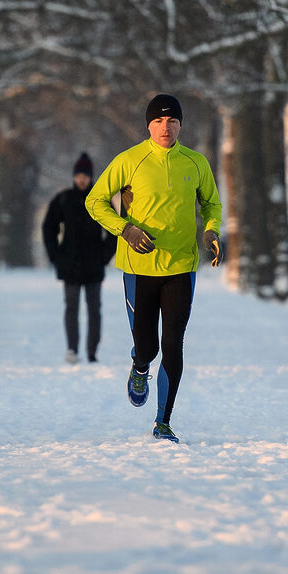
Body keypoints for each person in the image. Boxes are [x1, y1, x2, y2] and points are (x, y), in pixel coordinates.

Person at [86, 94, 222, 444]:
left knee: (173, 344)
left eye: (173, 121)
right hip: (139, 267)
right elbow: (94, 200)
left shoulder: (195, 162)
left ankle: (163, 422)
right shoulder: (130, 160)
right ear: (148, 125)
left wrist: (211, 230)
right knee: (147, 347)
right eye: (159, 122)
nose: (166, 128)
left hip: (181, 266)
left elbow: (211, 203)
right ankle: (140, 365)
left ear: (180, 125)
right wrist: (125, 229)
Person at [42, 152, 118, 364]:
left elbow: (114, 229)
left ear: (91, 176)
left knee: (95, 311)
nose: (82, 179)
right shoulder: (63, 199)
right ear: (74, 176)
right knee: (71, 309)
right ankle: (72, 350)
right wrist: (55, 255)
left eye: (85, 175)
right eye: (79, 175)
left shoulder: (100, 199)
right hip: (69, 265)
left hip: (94, 265)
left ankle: (92, 352)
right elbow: (49, 227)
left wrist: (104, 256)